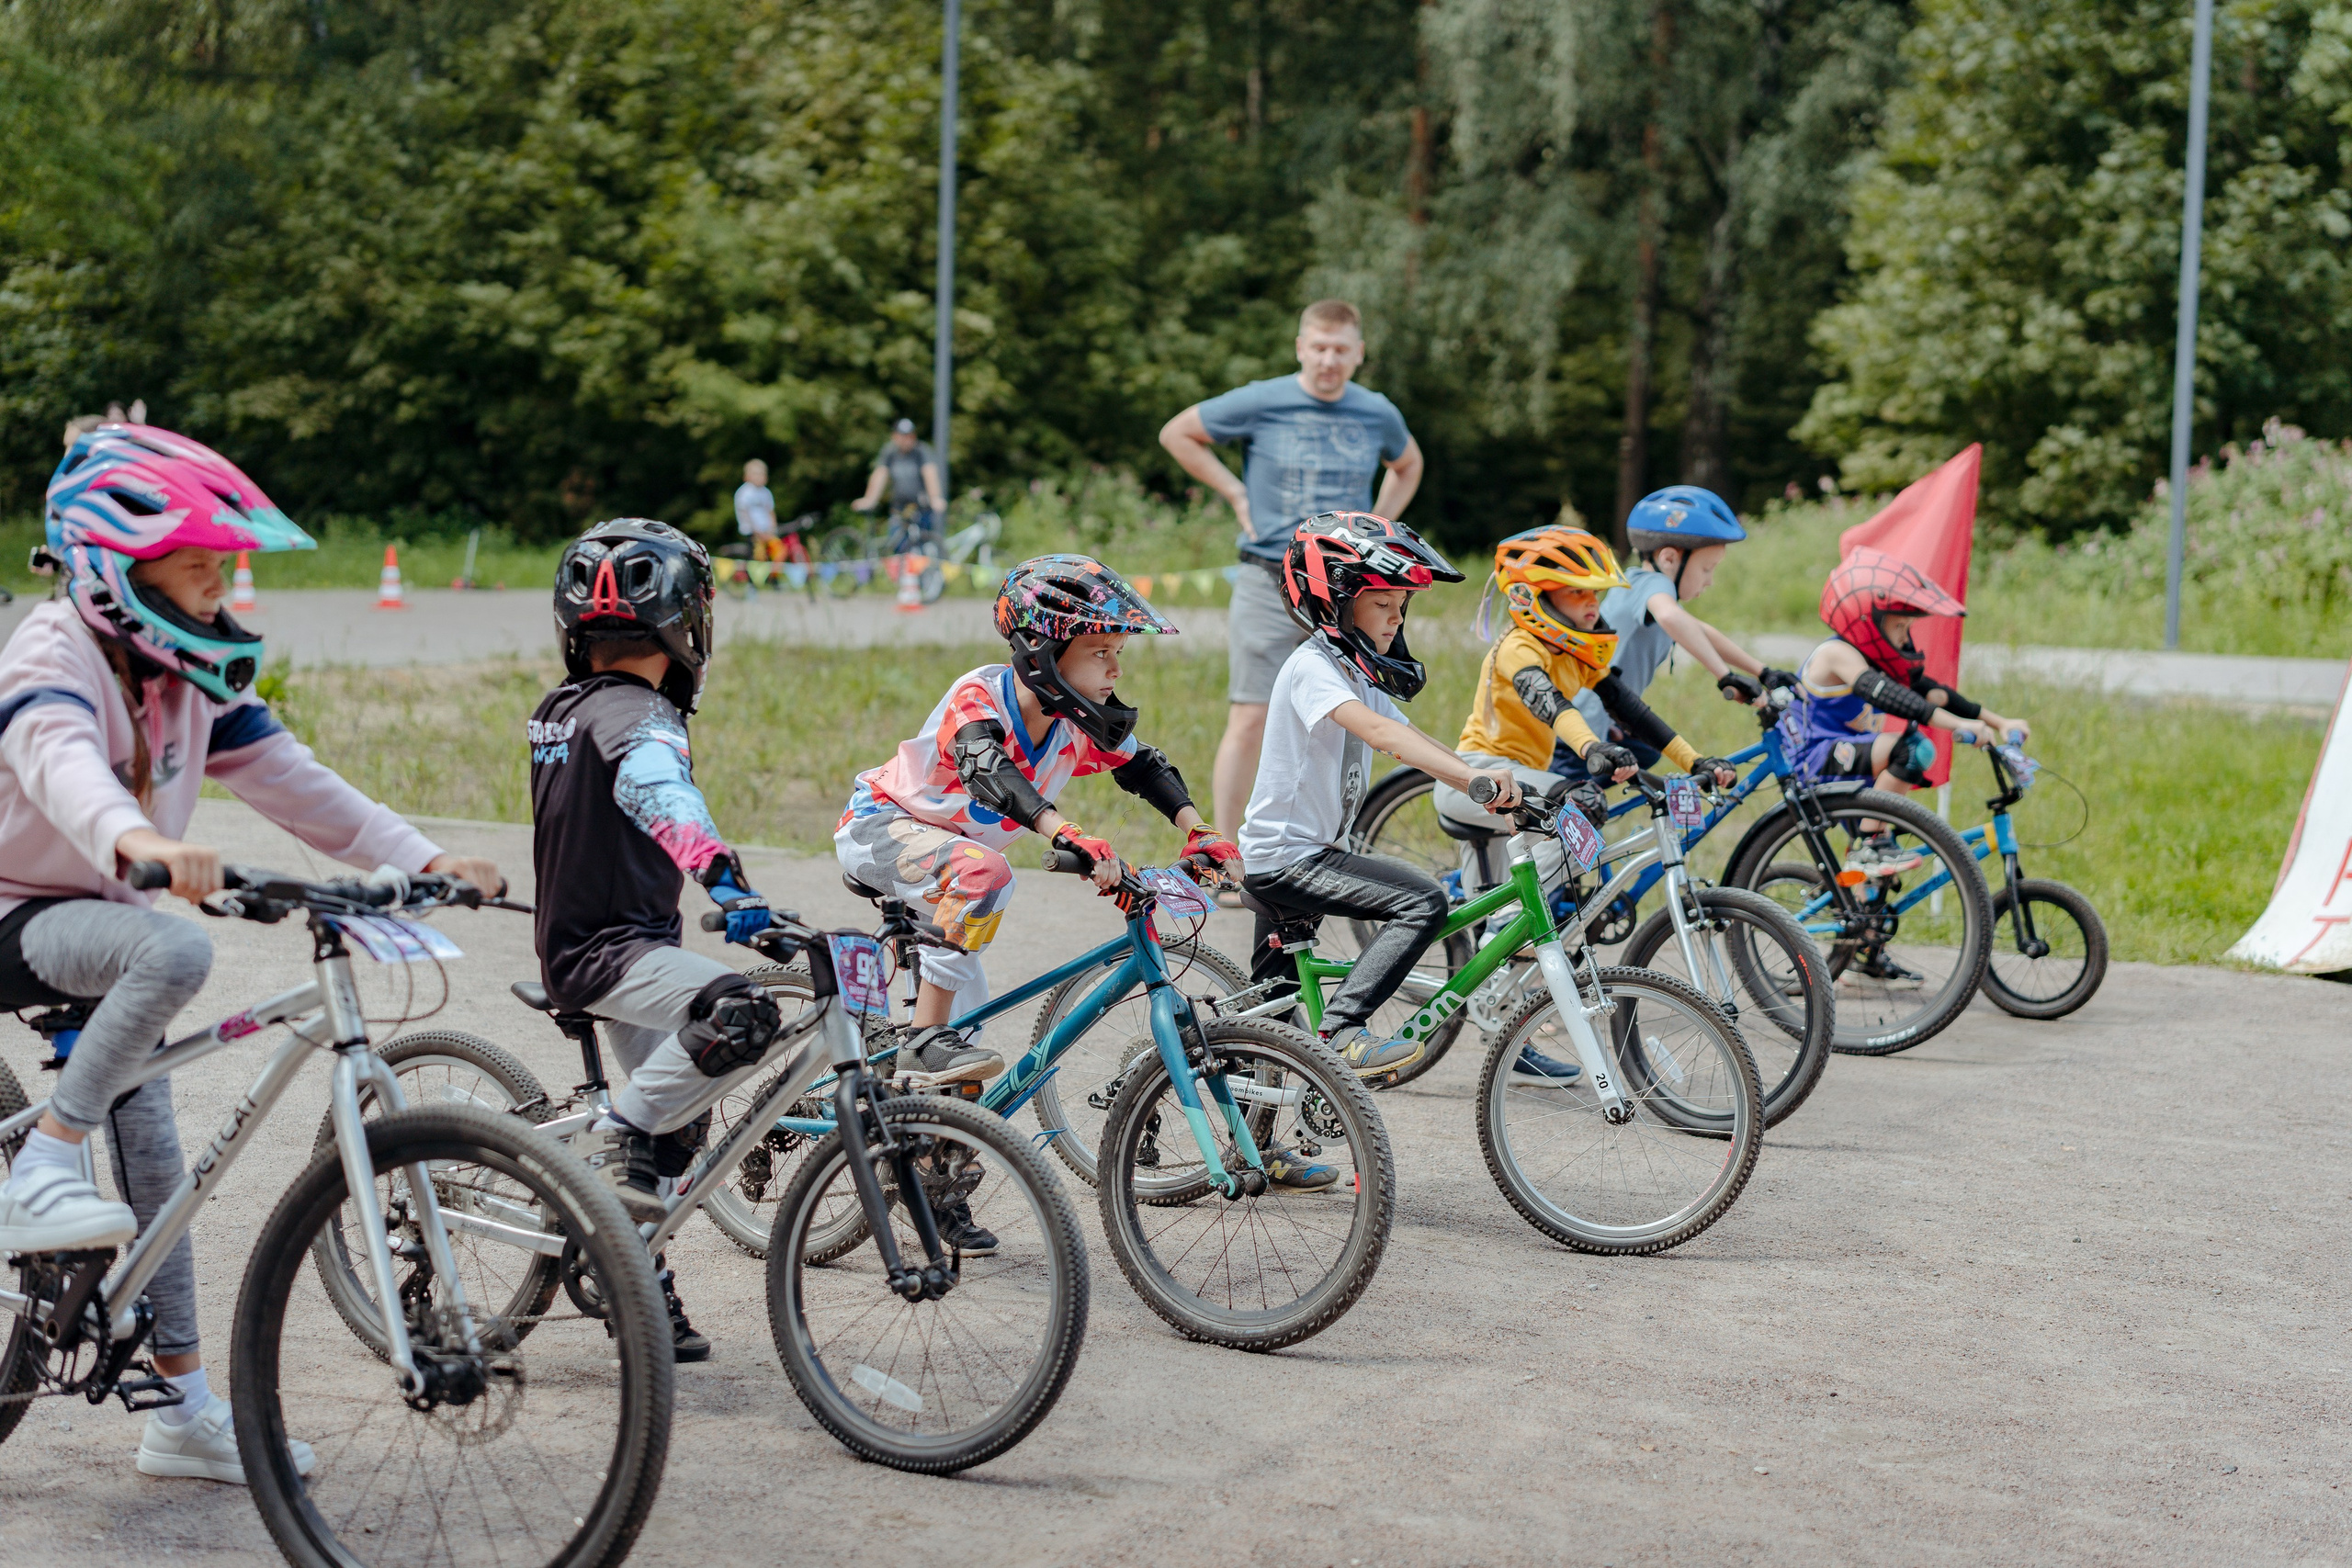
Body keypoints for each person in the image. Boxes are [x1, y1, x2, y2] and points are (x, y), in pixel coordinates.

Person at [0, 423, 501, 1482]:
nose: (219, 590)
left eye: (225, 570)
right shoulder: (52, 651)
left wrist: (425, 857)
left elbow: (295, 782)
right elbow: (61, 766)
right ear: (111, 573)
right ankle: (40, 1160)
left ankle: (179, 1411)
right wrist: (139, 842)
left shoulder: (184, 672)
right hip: (23, 909)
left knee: (158, 1177)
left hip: (97, 926)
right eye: (198, 569)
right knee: (172, 955)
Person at [833, 558, 1253, 1156]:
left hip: (954, 868)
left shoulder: (1075, 721)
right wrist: (1067, 832)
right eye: (1100, 650)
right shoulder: (981, 694)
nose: (1115, 667)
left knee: (969, 1065)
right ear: (1045, 652)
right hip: (881, 826)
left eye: (1118, 651)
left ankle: (940, 1180)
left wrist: (1198, 828)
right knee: (984, 872)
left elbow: (1143, 766)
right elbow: (987, 769)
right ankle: (921, 1037)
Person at [530, 516, 792, 1359]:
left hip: (618, 945)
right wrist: (731, 887)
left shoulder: (563, 707)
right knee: (740, 1016)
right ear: (687, 625)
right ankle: (614, 1151)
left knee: (685, 1117)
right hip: (611, 954)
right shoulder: (640, 717)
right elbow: (662, 797)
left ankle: (635, 1272)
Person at [1429, 526, 1737, 1082]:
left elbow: (1633, 710)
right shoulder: (1520, 647)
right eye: (1578, 593)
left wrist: (1693, 761)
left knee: (1581, 835)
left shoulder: (1576, 651)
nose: (1593, 604)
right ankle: (1511, 929)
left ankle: (1508, 1009)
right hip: (1473, 780)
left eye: (1595, 593)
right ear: (1534, 597)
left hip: (1520, 787)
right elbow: (1547, 704)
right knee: (1574, 807)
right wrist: (1591, 747)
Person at [1236, 513, 1521, 1084]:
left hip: (1306, 856)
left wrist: (1485, 781)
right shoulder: (1313, 666)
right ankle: (1343, 1031)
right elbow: (1380, 734)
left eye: (1401, 606)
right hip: (1290, 860)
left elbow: (1409, 738)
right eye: (1383, 603)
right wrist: (1472, 784)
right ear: (1335, 600)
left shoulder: (1354, 670)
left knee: (1266, 1021)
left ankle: (1253, 1153)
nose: (1396, 618)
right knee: (1421, 901)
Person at [1159, 300, 1426, 838]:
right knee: (1251, 717)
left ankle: (1335, 847)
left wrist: (1377, 526)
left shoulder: (1376, 411)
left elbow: (1408, 463)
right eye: (1319, 348)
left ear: (1358, 354)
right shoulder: (1263, 399)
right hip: (1267, 578)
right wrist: (1234, 490)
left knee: (1350, 718)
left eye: (1340, 350)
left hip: (1346, 588)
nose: (1329, 360)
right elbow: (1178, 433)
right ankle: (1227, 858)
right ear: (1301, 347)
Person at [1777, 547, 2031, 877]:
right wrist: (1959, 727)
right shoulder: (1835, 654)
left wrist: (1999, 722)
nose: (1905, 638)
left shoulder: (1869, 657)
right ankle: (1869, 844)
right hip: (1815, 758)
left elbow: (1934, 693)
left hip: (1851, 760)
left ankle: (1866, 906)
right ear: (1867, 620)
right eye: (1899, 627)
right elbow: (1895, 699)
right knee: (1913, 749)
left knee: (1879, 887)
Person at [1560, 486, 1797, 779]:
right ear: (1670, 559)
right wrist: (1724, 676)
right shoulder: (1653, 585)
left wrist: (1762, 671)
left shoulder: (1643, 587)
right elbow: (1671, 617)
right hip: (1576, 734)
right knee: (1572, 814)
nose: (1709, 581)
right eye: (1707, 569)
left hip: (1600, 721)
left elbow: (1701, 631)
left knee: (1648, 751)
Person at [853, 418, 946, 542]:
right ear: (895, 436)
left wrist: (935, 498)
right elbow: (880, 474)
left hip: (920, 509)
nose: (908, 439)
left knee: (922, 547)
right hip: (899, 509)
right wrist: (869, 500)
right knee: (897, 546)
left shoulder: (921, 451)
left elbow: (930, 473)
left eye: (910, 435)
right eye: (903, 435)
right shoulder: (890, 452)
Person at [734, 459, 782, 563]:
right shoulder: (744, 492)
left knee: (772, 554)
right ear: (747, 476)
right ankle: (753, 578)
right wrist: (757, 531)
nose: (759, 477)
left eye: (762, 474)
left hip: (767, 532)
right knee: (755, 557)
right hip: (752, 532)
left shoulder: (766, 492)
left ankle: (772, 577)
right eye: (756, 474)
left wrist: (772, 529)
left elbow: (770, 511)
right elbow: (745, 513)